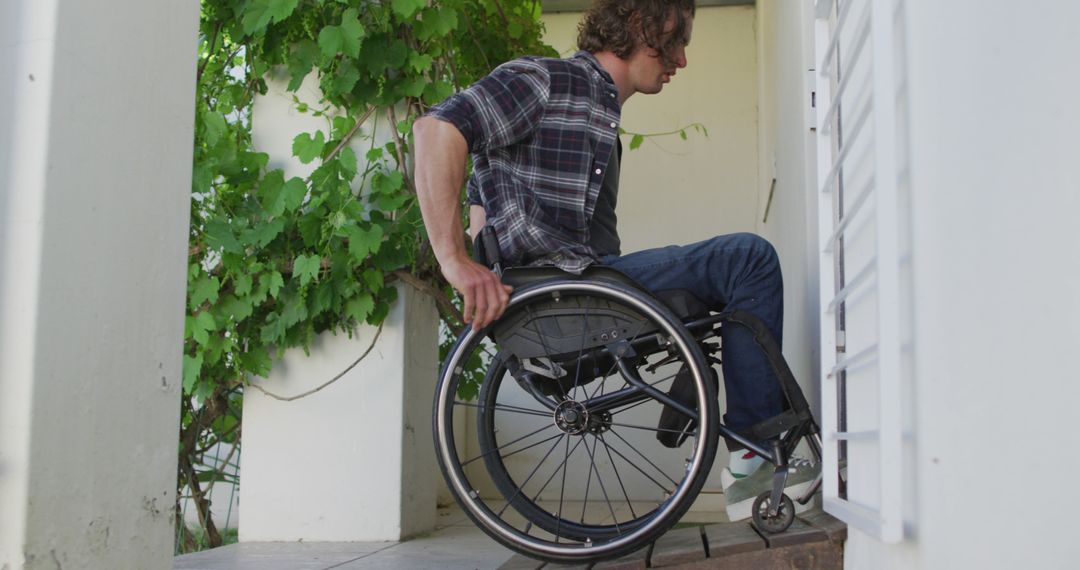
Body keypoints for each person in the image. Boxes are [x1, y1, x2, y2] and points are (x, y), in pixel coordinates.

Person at [413, 0, 813, 521]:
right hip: (563, 290)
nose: (682, 61)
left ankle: (703, 392)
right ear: (643, 25)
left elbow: (483, 194)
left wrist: (490, 247)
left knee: (717, 279)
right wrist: (456, 261)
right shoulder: (545, 79)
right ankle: (754, 460)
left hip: (576, 287)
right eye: (678, 41)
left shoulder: (599, 117)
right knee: (747, 259)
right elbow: (436, 131)